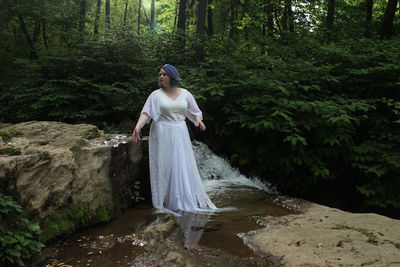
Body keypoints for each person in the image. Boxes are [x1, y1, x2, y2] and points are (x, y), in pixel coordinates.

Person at [132, 64, 217, 214]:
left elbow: (194, 110)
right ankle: (163, 200)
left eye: (164, 74)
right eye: (160, 74)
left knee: (180, 164)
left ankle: (180, 199)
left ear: (172, 76)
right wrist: (138, 126)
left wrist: (198, 121)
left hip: (180, 132)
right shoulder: (155, 95)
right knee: (164, 164)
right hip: (161, 132)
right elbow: (146, 113)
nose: (161, 77)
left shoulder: (185, 93)